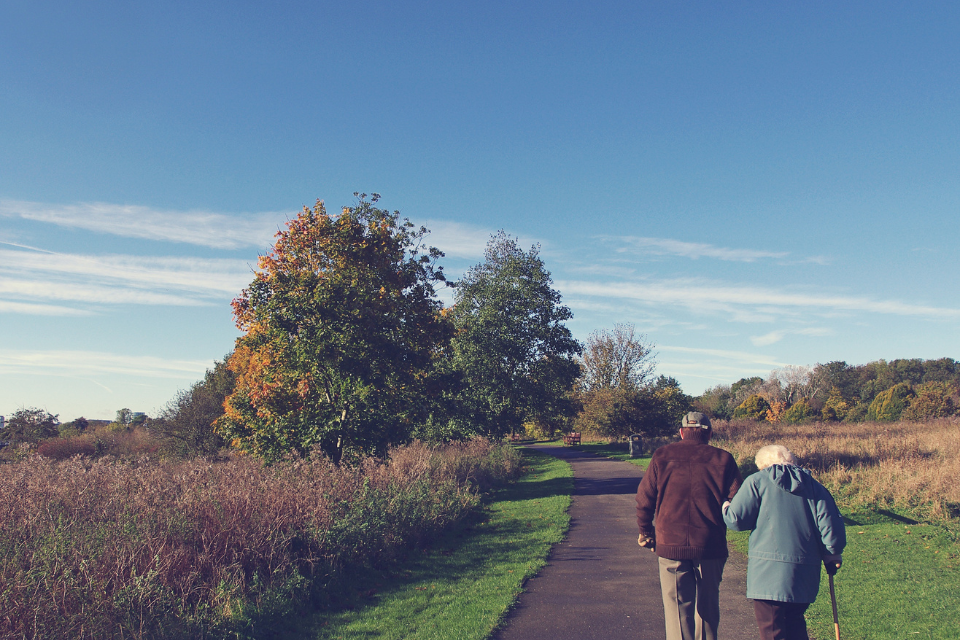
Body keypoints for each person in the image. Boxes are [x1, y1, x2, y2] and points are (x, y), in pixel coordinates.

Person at [635, 411, 743, 640]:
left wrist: (646, 532)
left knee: (676, 610)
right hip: (710, 545)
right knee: (708, 609)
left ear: (681, 432)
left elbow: (644, 499)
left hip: (670, 543)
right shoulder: (724, 459)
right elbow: (738, 502)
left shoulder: (662, 455)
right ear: (710, 433)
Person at [722, 444, 846, 640]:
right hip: (804, 573)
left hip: (767, 575)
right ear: (792, 461)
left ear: (762, 465)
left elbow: (736, 520)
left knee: (772, 629)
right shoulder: (815, 486)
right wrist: (832, 552)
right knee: (795, 623)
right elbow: (832, 530)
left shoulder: (757, 481)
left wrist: (726, 506)